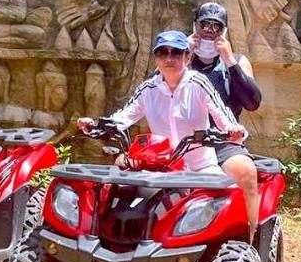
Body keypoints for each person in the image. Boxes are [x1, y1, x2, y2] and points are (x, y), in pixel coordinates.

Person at [76, 30, 246, 177]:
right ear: (156, 59)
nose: (169, 58)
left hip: (201, 168)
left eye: (176, 53)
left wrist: (232, 129)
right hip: (162, 168)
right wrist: (95, 125)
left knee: (224, 199)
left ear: (187, 57)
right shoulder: (148, 89)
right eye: (163, 53)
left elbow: (221, 112)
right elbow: (123, 116)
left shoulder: (199, 83)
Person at [186, 2, 262, 240]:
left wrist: (230, 61)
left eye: (216, 26)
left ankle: (250, 242)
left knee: (246, 172)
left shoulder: (237, 60)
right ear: (194, 27)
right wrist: (183, 58)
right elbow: (151, 91)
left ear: (225, 31)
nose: (209, 30)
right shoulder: (178, 58)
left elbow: (252, 102)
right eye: (204, 24)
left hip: (224, 141)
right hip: (183, 140)